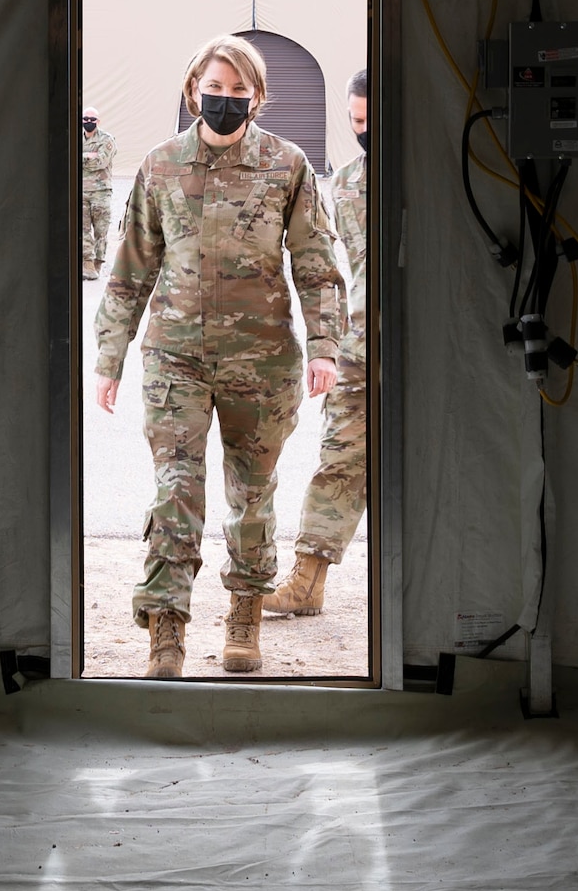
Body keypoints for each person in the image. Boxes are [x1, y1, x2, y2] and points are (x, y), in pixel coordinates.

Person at [93, 35, 346, 679]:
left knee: (251, 495)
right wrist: (109, 357)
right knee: (175, 492)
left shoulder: (287, 167)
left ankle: (244, 618)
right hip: (174, 359)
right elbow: (130, 270)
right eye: (215, 88)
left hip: (261, 365)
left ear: (258, 98)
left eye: (239, 92)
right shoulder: (159, 167)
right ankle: (166, 630)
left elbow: (316, 267)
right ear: (191, 90)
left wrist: (323, 348)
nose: (225, 101)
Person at [268, 69, 370, 618]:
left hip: (433, 341)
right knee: (340, 455)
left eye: (371, 120)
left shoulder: (444, 174)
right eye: (355, 122)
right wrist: (327, 344)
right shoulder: (349, 181)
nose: (363, 131)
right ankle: (308, 581)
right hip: (361, 346)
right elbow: (329, 269)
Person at [81, 107, 117, 279]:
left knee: (101, 230)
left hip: (101, 192)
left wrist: (81, 158)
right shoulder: (76, 138)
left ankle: (98, 262)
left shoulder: (107, 139)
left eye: (92, 119)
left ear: (98, 121)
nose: (89, 122)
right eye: (85, 119)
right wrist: (89, 155)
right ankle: (87, 263)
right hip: (81, 192)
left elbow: (101, 162)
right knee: (83, 228)